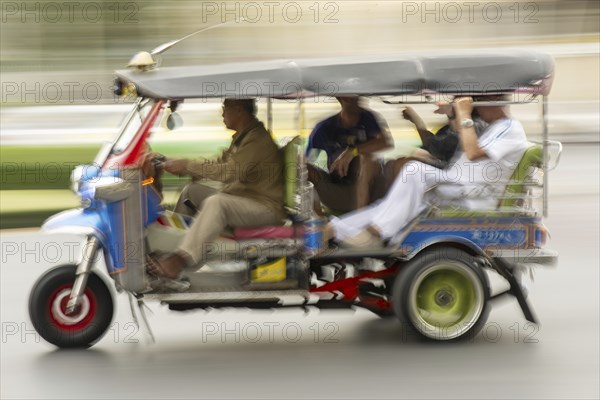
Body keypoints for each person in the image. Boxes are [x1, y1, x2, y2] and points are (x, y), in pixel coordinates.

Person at [324, 95, 529, 248]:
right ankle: (335, 229)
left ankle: (377, 233)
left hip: (471, 193)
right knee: (390, 204)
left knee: (414, 170)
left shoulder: (510, 127)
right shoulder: (496, 127)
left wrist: (465, 114)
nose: (476, 108)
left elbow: (473, 152)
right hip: (457, 187)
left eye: (479, 101)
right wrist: (455, 114)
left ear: (494, 100)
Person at [148, 98, 285, 279]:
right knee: (192, 191)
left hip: (265, 207)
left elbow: (228, 172)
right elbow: (216, 164)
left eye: (224, 108)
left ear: (238, 111)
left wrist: (188, 166)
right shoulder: (243, 137)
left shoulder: (256, 141)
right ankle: (179, 242)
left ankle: (180, 260)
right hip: (246, 198)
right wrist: (176, 164)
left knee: (217, 203)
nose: (222, 113)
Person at [306, 96, 394, 213]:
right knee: (303, 168)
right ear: (343, 99)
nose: (360, 99)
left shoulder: (368, 118)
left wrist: (352, 152)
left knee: (368, 159)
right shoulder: (324, 128)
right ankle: (318, 220)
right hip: (338, 189)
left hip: (371, 192)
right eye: (355, 96)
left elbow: (386, 142)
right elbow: (306, 160)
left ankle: (360, 217)